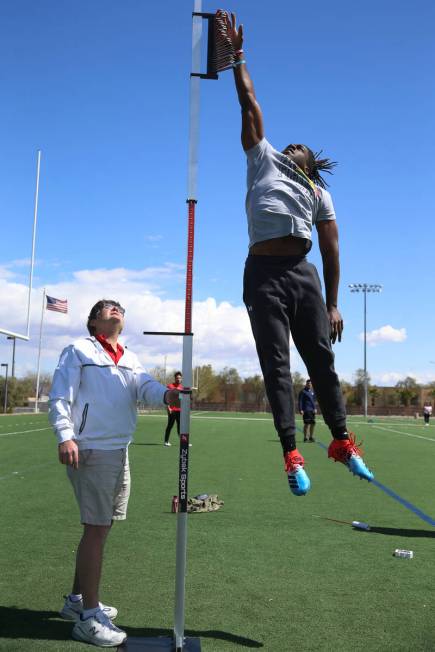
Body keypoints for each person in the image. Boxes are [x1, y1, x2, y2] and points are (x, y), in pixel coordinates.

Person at [219, 10, 374, 496]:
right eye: (289, 143)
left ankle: (343, 441)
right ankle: (290, 452)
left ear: (310, 166)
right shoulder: (262, 157)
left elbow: (331, 251)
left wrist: (333, 302)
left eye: (299, 146)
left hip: (302, 272)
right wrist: (238, 55)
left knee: (322, 361)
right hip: (263, 272)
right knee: (277, 363)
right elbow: (248, 101)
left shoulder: (318, 195)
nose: (291, 145)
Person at [49, 299, 180, 647]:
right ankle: (89, 618)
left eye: (119, 307)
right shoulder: (78, 350)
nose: (115, 309)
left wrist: (168, 393)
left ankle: (76, 602)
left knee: (102, 526)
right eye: (106, 308)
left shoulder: (129, 356)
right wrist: (66, 436)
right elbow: (60, 396)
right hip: (90, 447)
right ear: (93, 321)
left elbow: (146, 387)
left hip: (120, 449)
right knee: (96, 528)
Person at [164, 371, 183, 446]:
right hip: (172, 410)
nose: (178, 379)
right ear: (175, 378)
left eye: (180, 378)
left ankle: (183, 442)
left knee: (180, 426)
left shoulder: (182, 387)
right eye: (177, 378)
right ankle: (166, 441)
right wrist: (168, 407)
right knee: (170, 425)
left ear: (181, 379)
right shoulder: (170, 386)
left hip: (179, 410)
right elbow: (166, 397)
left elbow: (181, 398)